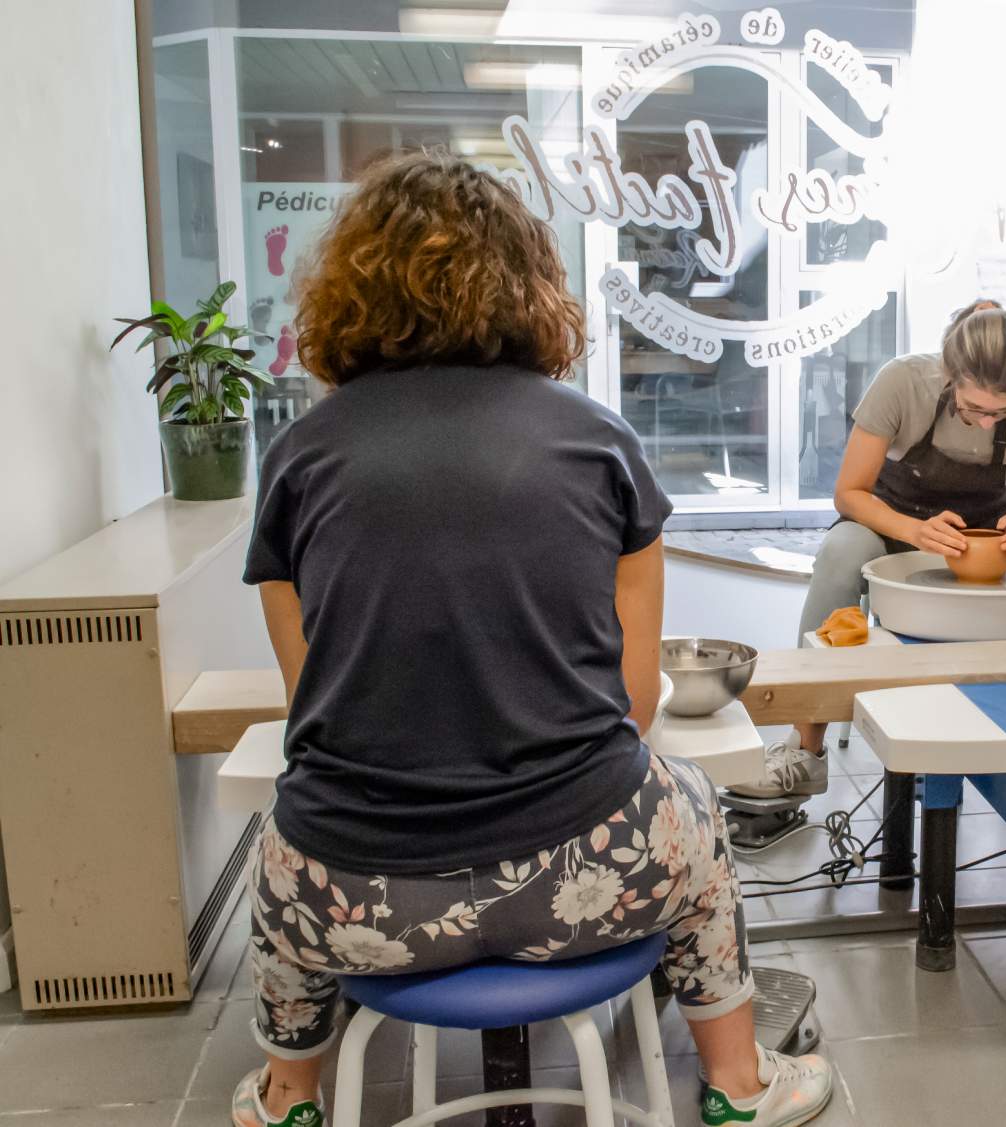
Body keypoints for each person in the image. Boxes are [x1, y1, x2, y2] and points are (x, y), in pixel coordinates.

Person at [234, 150, 831, 1127]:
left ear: (347, 288)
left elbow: (317, 708)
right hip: (583, 876)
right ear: (526, 283)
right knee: (696, 810)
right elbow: (635, 705)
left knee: (281, 838)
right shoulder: (599, 443)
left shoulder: (298, 455)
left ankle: (288, 1094)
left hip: (355, 897)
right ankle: (738, 1083)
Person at [732, 300, 1006, 799]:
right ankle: (805, 750)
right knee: (840, 554)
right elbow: (849, 493)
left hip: (988, 536)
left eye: (1002, 413)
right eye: (974, 408)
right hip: (893, 525)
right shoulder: (902, 382)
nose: (986, 423)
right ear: (950, 375)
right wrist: (915, 533)